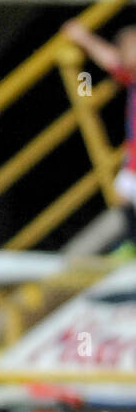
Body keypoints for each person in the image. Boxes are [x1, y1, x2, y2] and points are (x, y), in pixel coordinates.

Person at [62, 19, 136, 249]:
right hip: (132, 164)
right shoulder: (130, 75)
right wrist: (83, 37)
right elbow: (111, 59)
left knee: (123, 198)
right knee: (122, 199)